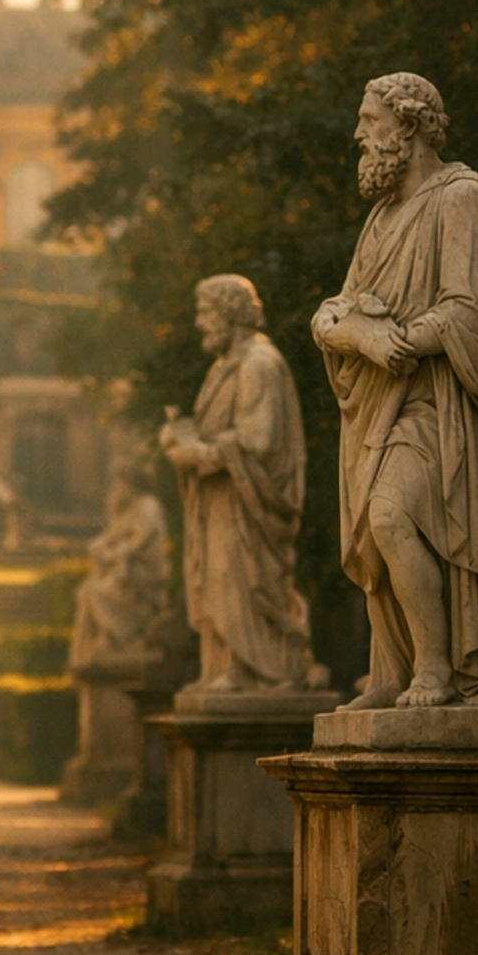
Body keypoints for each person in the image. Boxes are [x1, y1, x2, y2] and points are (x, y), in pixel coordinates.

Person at [313, 71, 478, 708]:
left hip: (437, 403)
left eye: (370, 120)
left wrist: (405, 341)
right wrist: (357, 337)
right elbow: (332, 310)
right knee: (377, 532)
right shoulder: (383, 218)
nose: (359, 134)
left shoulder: (463, 198)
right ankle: (394, 672)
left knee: (391, 516)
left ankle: (437, 673)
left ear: (409, 127)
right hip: (378, 406)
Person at [159, 273, 324, 694]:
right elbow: (222, 432)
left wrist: (195, 452)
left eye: (204, 313)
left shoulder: (258, 365)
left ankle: (257, 669)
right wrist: (183, 437)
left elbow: (256, 441)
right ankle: (226, 665)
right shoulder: (224, 367)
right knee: (218, 582)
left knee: (238, 581)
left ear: (229, 312)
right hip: (222, 498)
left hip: (247, 503)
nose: (199, 323)